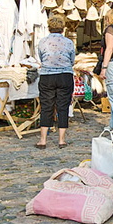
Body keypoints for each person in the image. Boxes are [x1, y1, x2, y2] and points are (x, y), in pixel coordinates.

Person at [36, 15, 75, 149]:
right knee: (63, 107)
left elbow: (41, 57)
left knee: (46, 106)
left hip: (47, 75)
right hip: (65, 75)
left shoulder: (43, 42)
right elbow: (72, 60)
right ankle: (61, 140)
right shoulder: (69, 42)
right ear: (63, 28)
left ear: (49, 28)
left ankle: (42, 140)